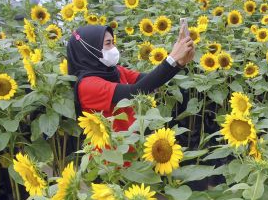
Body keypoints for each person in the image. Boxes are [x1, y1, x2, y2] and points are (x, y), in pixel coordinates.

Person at [67, 24, 195, 132]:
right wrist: (171, 58)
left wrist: (178, 63)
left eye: (113, 42)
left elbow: (149, 80)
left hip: (130, 145)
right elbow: (135, 91)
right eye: (108, 43)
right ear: (90, 48)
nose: (113, 48)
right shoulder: (87, 85)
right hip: (108, 154)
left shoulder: (114, 71)